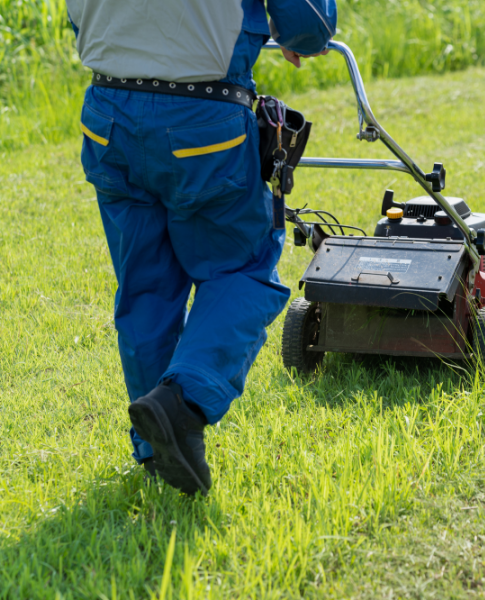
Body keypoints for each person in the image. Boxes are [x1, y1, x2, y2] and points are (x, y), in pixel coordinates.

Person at [65, 0, 337, 495]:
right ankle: (181, 404)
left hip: (107, 112)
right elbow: (307, 21)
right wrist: (303, 40)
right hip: (202, 116)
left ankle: (157, 449)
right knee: (243, 269)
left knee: (145, 287)